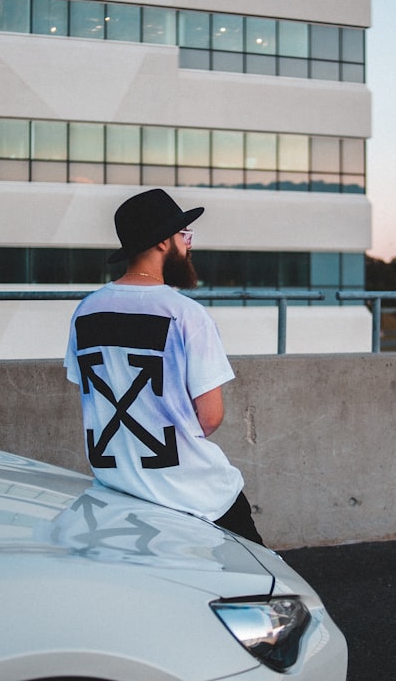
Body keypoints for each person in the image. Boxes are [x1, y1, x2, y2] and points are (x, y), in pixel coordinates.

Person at [63, 188, 263, 545]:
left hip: (118, 488)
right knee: (260, 586)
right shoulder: (187, 315)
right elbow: (211, 416)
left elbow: (94, 397)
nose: (188, 246)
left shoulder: (86, 311)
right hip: (197, 492)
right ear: (162, 243)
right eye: (184, 237)